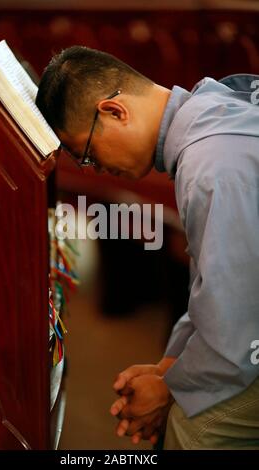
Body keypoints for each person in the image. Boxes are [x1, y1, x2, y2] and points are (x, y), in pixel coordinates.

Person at [36, 46, 259, 450]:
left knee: (195, 432)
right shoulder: (207, 108)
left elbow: (238, 323)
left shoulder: (210, 167)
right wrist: (169, 365)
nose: (95, 169)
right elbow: (214, 285)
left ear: (114, 112)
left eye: (85, 155)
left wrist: (172, 389)